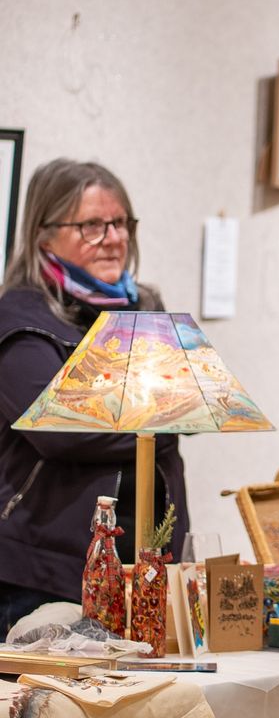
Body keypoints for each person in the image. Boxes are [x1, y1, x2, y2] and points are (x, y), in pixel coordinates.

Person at [0, 158, 189, 637]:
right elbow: (62, 429)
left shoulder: (145, 309)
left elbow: (189, 402)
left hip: (144, 565)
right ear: (44, 234)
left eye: (120, 222)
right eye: (91, 225)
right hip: (42, 573)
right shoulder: (20, 319)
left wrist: (167, 416)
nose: (113, 237)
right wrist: (159, 424)